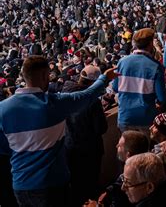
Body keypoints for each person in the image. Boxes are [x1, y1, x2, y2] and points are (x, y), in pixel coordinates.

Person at [0, 55, 118, 207]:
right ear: (44, 75)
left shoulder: (2, 109)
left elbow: (4, 150)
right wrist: (104, 78)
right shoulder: (55, 103)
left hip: (21, 185)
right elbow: (87, 95)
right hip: (53, 184)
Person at [61, 65, 108, 207]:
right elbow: (101, 128)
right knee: (90, 186)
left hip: (69, 148)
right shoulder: (92, 101)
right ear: (93, 84)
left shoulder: (63, 96)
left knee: (75, 186)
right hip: (90, 150)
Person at [113, 28, 166, 133]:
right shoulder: (156, 66)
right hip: (146, 118)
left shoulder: (122, 62)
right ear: (151, 44)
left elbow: (115, 87)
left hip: (125, 117)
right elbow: (161, 97)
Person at [95, 130, 149, 207]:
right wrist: (109, 190)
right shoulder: (145, 168)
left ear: (128, 154)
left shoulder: (127, 188)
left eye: (120, 146)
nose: (116, 146)